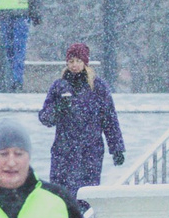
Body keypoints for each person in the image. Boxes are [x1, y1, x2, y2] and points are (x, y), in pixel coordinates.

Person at [38, 42, 125, 203]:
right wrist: (58, 109)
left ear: (85, 62)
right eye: (71, 61)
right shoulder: (59, 86)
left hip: (89, 153)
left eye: (78, 61)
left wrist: (117, 148)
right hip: (64, 152)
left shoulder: (98, 87)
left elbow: (110, 119)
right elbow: (45, 118)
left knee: (86, 197)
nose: (74, 65)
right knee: (62, 199)